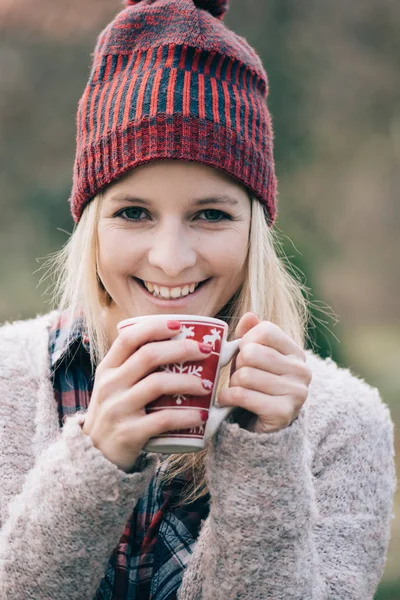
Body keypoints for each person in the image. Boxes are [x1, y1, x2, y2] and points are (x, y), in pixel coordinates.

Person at [0, 1, 396, 598]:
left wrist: (265, 456)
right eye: (133, 213)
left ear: (254, 231)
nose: (171, 259)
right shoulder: (6, 382)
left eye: (211, 215)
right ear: (90, 226)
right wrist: (93, 461)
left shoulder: (343, 423)